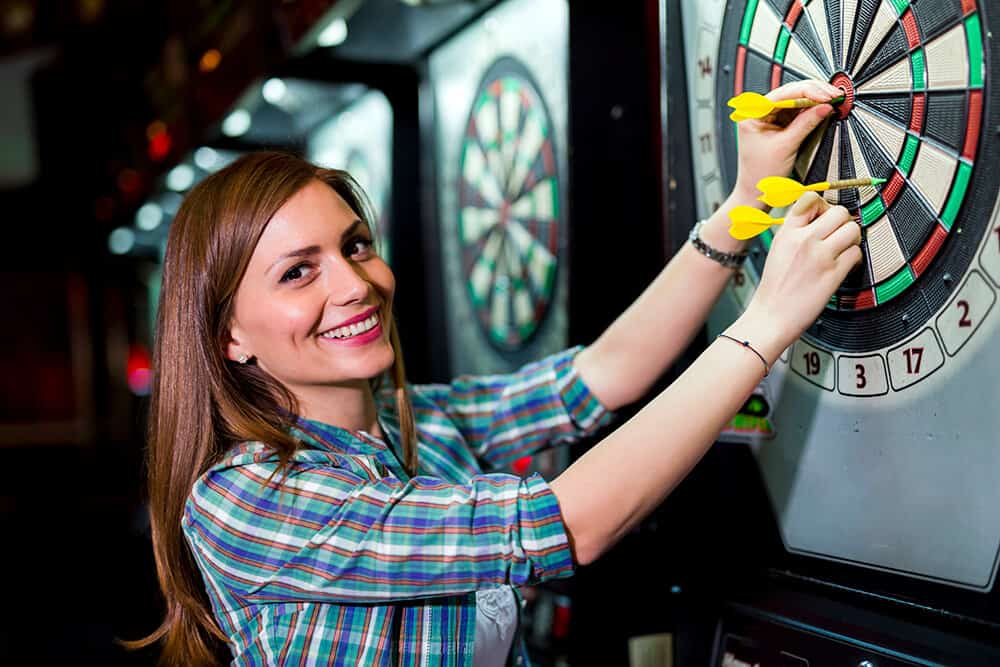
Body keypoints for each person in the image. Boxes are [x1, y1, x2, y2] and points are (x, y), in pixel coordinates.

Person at [131, 79, 857, 666]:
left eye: (355, 247)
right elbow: (569, 522)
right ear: (228, 335)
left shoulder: (418, 423)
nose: (354, 285)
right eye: (297, 272)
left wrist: (744, 206)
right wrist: (764, 323)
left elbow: (603, 373)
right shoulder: (245, 498)